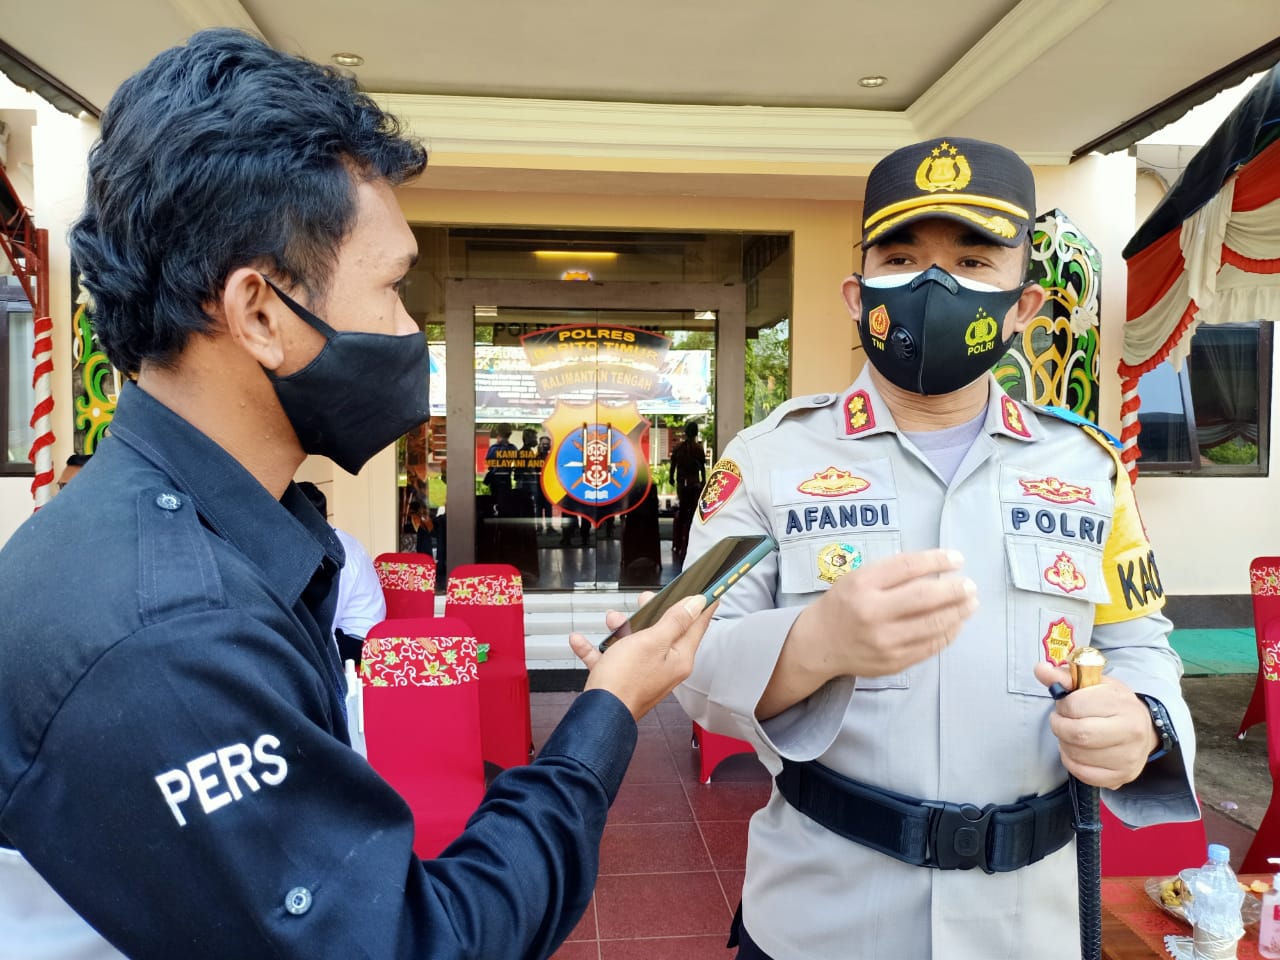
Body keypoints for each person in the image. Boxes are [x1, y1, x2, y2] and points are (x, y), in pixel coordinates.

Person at [0, 29, 713, 960]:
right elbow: (421, 942)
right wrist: (605, 713)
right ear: (260, 313)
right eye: (391, 288)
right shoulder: (169, 635)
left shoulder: (210, 539)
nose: (406, 331)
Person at [675, 136, 1197, 960]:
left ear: (1023, 306)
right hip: (824, 916)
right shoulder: (767, 458)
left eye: (974, 259)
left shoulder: (1088, 467)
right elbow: (691, 663)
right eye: (902, 254)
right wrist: (814, 646)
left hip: (1031, 925)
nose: (933, 283)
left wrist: (1144, 721)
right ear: (857, 295)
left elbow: (1137, 641)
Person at [297, 481, 386, 666]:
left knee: (303, 650)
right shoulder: (330, 538)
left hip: (362, 640)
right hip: (347, 630)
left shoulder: (335, 552)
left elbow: (328, 617)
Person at [668, 421, 706, 568]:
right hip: (694, 484)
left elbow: (672, 468)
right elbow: (702, 468)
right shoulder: (698, 449)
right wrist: (703, 483)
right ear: (696, 433)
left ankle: (678, 544)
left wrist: (672, 479)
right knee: (693, 515)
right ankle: (690, 542)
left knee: (682, 512)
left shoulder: (679, 448)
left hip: (682, 485)